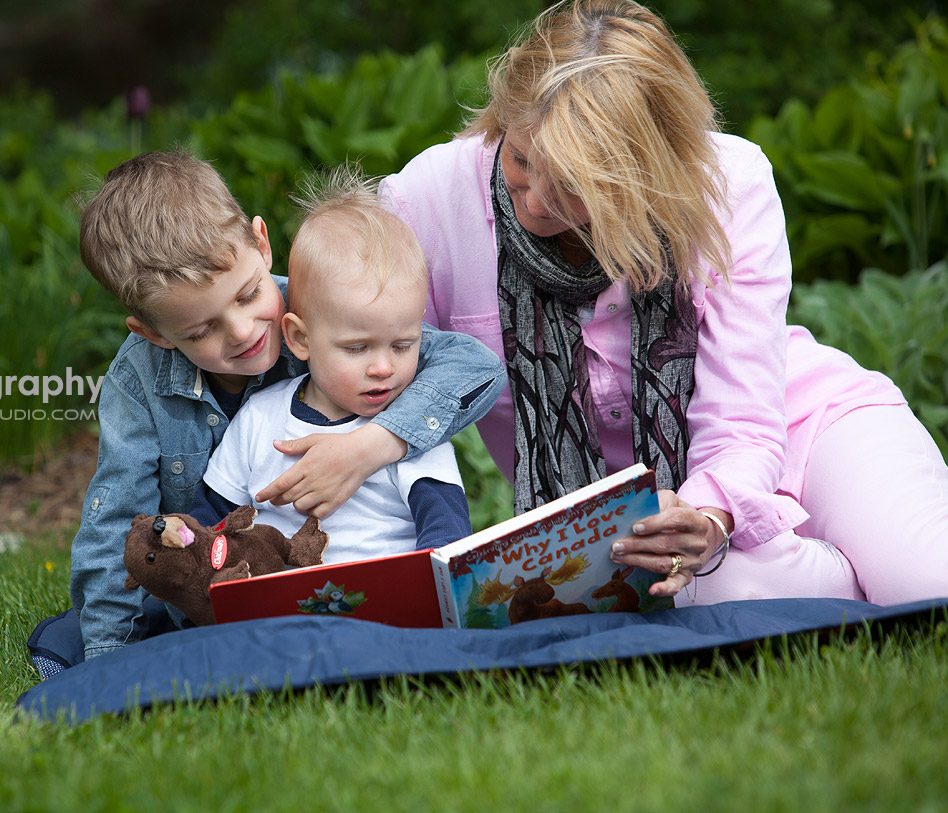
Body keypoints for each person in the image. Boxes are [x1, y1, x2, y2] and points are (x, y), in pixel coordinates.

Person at [379, 0, 948, 606]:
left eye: (574, 184)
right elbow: (354, 350)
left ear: (643, 171)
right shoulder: (427, 202)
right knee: (653, 591)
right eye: (522, 159)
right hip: (637, 532)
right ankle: (841, 571)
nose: (536, 202)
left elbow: (741, 420)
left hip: (809, 428)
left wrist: (707, 517)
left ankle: (846, 560)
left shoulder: (728, 182)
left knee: (927, 585)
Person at [70, 150, 506, 658]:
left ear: (261, 244)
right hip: (220, 592)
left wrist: (369, 446)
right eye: (201, 330)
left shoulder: (324, 309)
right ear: (155, 334)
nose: (243, 331)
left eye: (248, 293)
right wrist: (107, 657)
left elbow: (475, 366)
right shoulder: (138, 379)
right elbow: (116, 521)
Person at [192, 168, 473, 560]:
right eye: (357, 348)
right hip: (279, 606)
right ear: (301, 339)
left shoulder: (411, 429)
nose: (383, 368)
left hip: (383, 601)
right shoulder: (260, 417)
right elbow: (213, 517)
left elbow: (445, 532)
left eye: (403, 345)